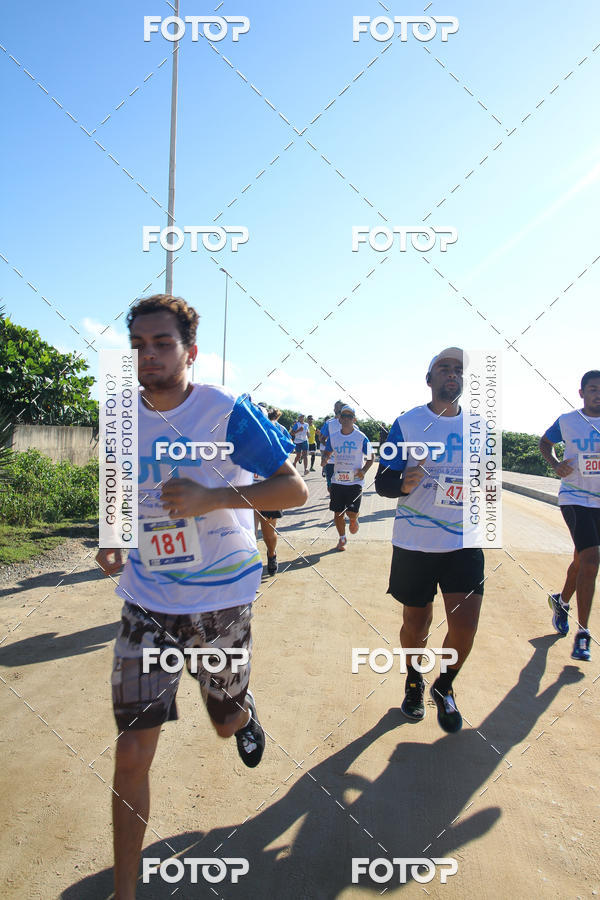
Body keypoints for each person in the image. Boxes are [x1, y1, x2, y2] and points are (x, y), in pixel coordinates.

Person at [95, 294, 308, 900]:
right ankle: (125, 892)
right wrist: (112, 537)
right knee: (134, 749)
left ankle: (243, 710)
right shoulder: (119, 416)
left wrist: (213, 499)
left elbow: (290, 489)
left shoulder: (226, 412)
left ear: (190, 351)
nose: (148, 357)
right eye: (138, 345)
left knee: (225, 721)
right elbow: (116, 486)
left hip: (220, 599)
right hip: (147, 599)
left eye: (162, 344)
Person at [375, 348, 483, 734]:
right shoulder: (407, 423)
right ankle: (413, 679)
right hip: (415, 543)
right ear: (430, 379)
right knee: (416, 623)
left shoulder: (479, 427)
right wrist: (401, 483)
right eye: (444, 368)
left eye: (458, 370)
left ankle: (445, 685)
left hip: (463, 543)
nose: (452, 374)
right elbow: (383, 481)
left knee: (465, 627)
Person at [539, 370, 600, 661]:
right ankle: (583, 635)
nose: (597, 394)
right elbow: (545, 442)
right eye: (592, 389)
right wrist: (555, 464)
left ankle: (561, 602)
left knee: (581, 559)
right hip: (574, 497)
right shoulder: (568, 421)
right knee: (591, 559)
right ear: (581, 393)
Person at [321, 406, 373, 550]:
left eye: (350, 416)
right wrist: (325, 459)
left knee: (351, 512)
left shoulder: (361, 437)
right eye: (344, 416)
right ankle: (342, 538)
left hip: (355, 481)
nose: (346, 419)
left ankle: (354, 518)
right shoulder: (334, 437)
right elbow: (327, 452)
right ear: (340, 418)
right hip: (337, 480)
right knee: (338, 512)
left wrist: (363, 470)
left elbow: (371, 457)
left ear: (354, 419)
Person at [255, 407, 294, 575]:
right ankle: (251, 568)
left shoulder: (279, 429)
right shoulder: (243, 429)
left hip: (269, 488)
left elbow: (288, 450)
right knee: (246, 532)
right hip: (246, 486)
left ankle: (271, 554)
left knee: (268, 533)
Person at [319, 400, 345, 492]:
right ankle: (333, 499)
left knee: (342, 483)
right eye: (336, 407)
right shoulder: (329, 423)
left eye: (339, 407)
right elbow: (321, 438)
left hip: (344, 460)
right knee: (330, 484)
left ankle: (338, 501)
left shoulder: (351, 423)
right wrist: (331, 448)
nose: (337, 409)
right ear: (334, 409)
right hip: (331, 460)